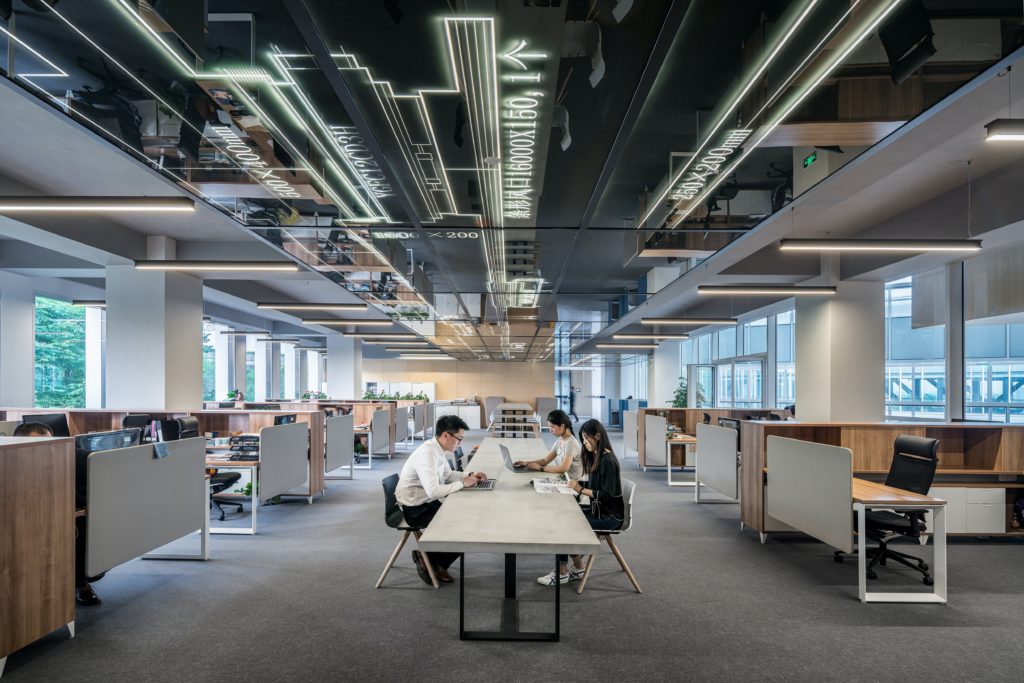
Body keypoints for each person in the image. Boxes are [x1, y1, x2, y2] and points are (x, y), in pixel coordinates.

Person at [395, 415, 488, 585]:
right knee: (465, 526)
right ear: (446, 435)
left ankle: (429, 557)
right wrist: (462, 484)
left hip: (425, 502)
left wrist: (470, 475)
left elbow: (448, 474)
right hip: (416, 509)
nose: (460, 443)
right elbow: (433, 491)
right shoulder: (427, 454)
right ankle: (431, 560)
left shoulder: (437, 449)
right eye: (459, 439)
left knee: (468, 518)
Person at [538, 419, 625, 586]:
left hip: (610, 517)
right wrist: (574, 484)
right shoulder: (598, 457)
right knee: (564, 515)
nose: (584, 444)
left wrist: (579, 489)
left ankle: (562, 571)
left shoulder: (608, 461)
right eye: (583, 440)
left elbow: (605, 495)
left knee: (564, 523)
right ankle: (578, 567)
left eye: (586, 439)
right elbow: (595, 486)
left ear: (598, 436)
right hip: (599, 509)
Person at [514, 410, 587, 584]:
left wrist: (538, 469)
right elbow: (546, 460)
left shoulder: (571, 443)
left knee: (559, 525)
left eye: (553, 427)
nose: (550, 430)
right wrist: (527, 462)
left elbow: (562, 468)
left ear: (563, 426)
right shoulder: (560, 440)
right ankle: (578, 566)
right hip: (565, 486)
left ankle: (562, 572)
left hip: (576, 491)